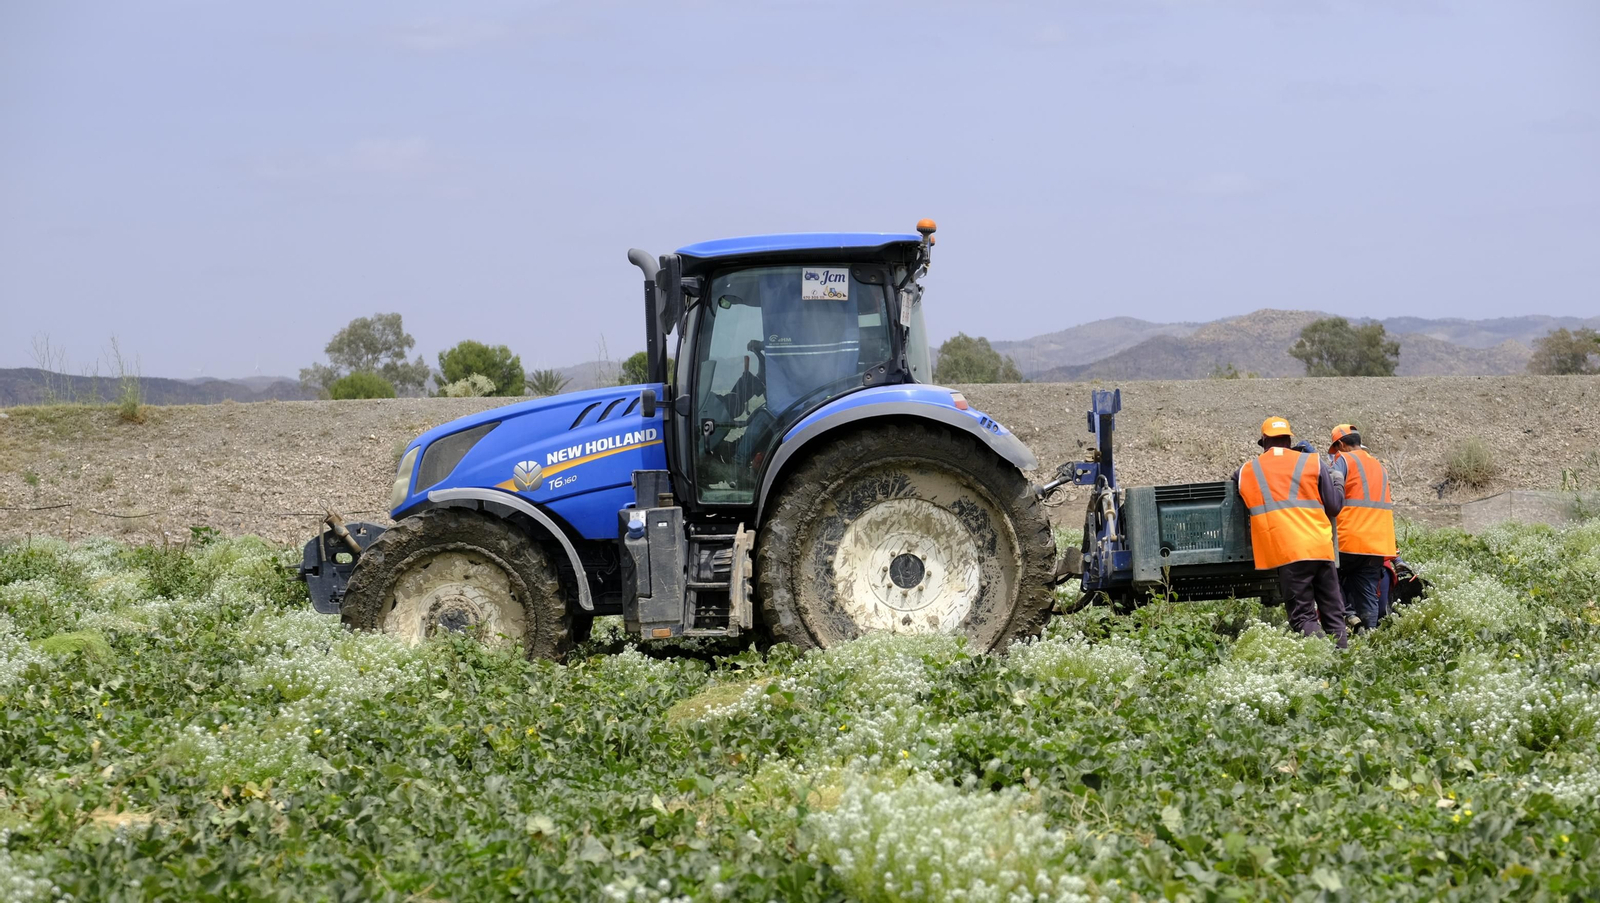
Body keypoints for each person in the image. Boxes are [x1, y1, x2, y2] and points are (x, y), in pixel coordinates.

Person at [1236, 417, 1350, 647]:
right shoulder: (1313, 463)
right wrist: (1337, 481)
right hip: (1320, 547)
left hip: (1289, 551)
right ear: (1289, 440)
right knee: (1333, 613)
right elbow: (1335, 506)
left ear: (1264, 442)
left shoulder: (1249, 469)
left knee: (1303, 617)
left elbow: (1234, 481)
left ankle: (1324, 658)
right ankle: (1342, 660)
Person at [1327, 424, 1397, 632]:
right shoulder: (1379, 465)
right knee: (1368, 592)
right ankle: (1370, 635)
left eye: (1336, 449)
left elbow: (1332, 488)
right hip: (1377, 541)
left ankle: (1348, 615)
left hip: (1349, 537)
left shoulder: (1344, 460)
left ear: (1341, 444)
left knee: (1327, 575)